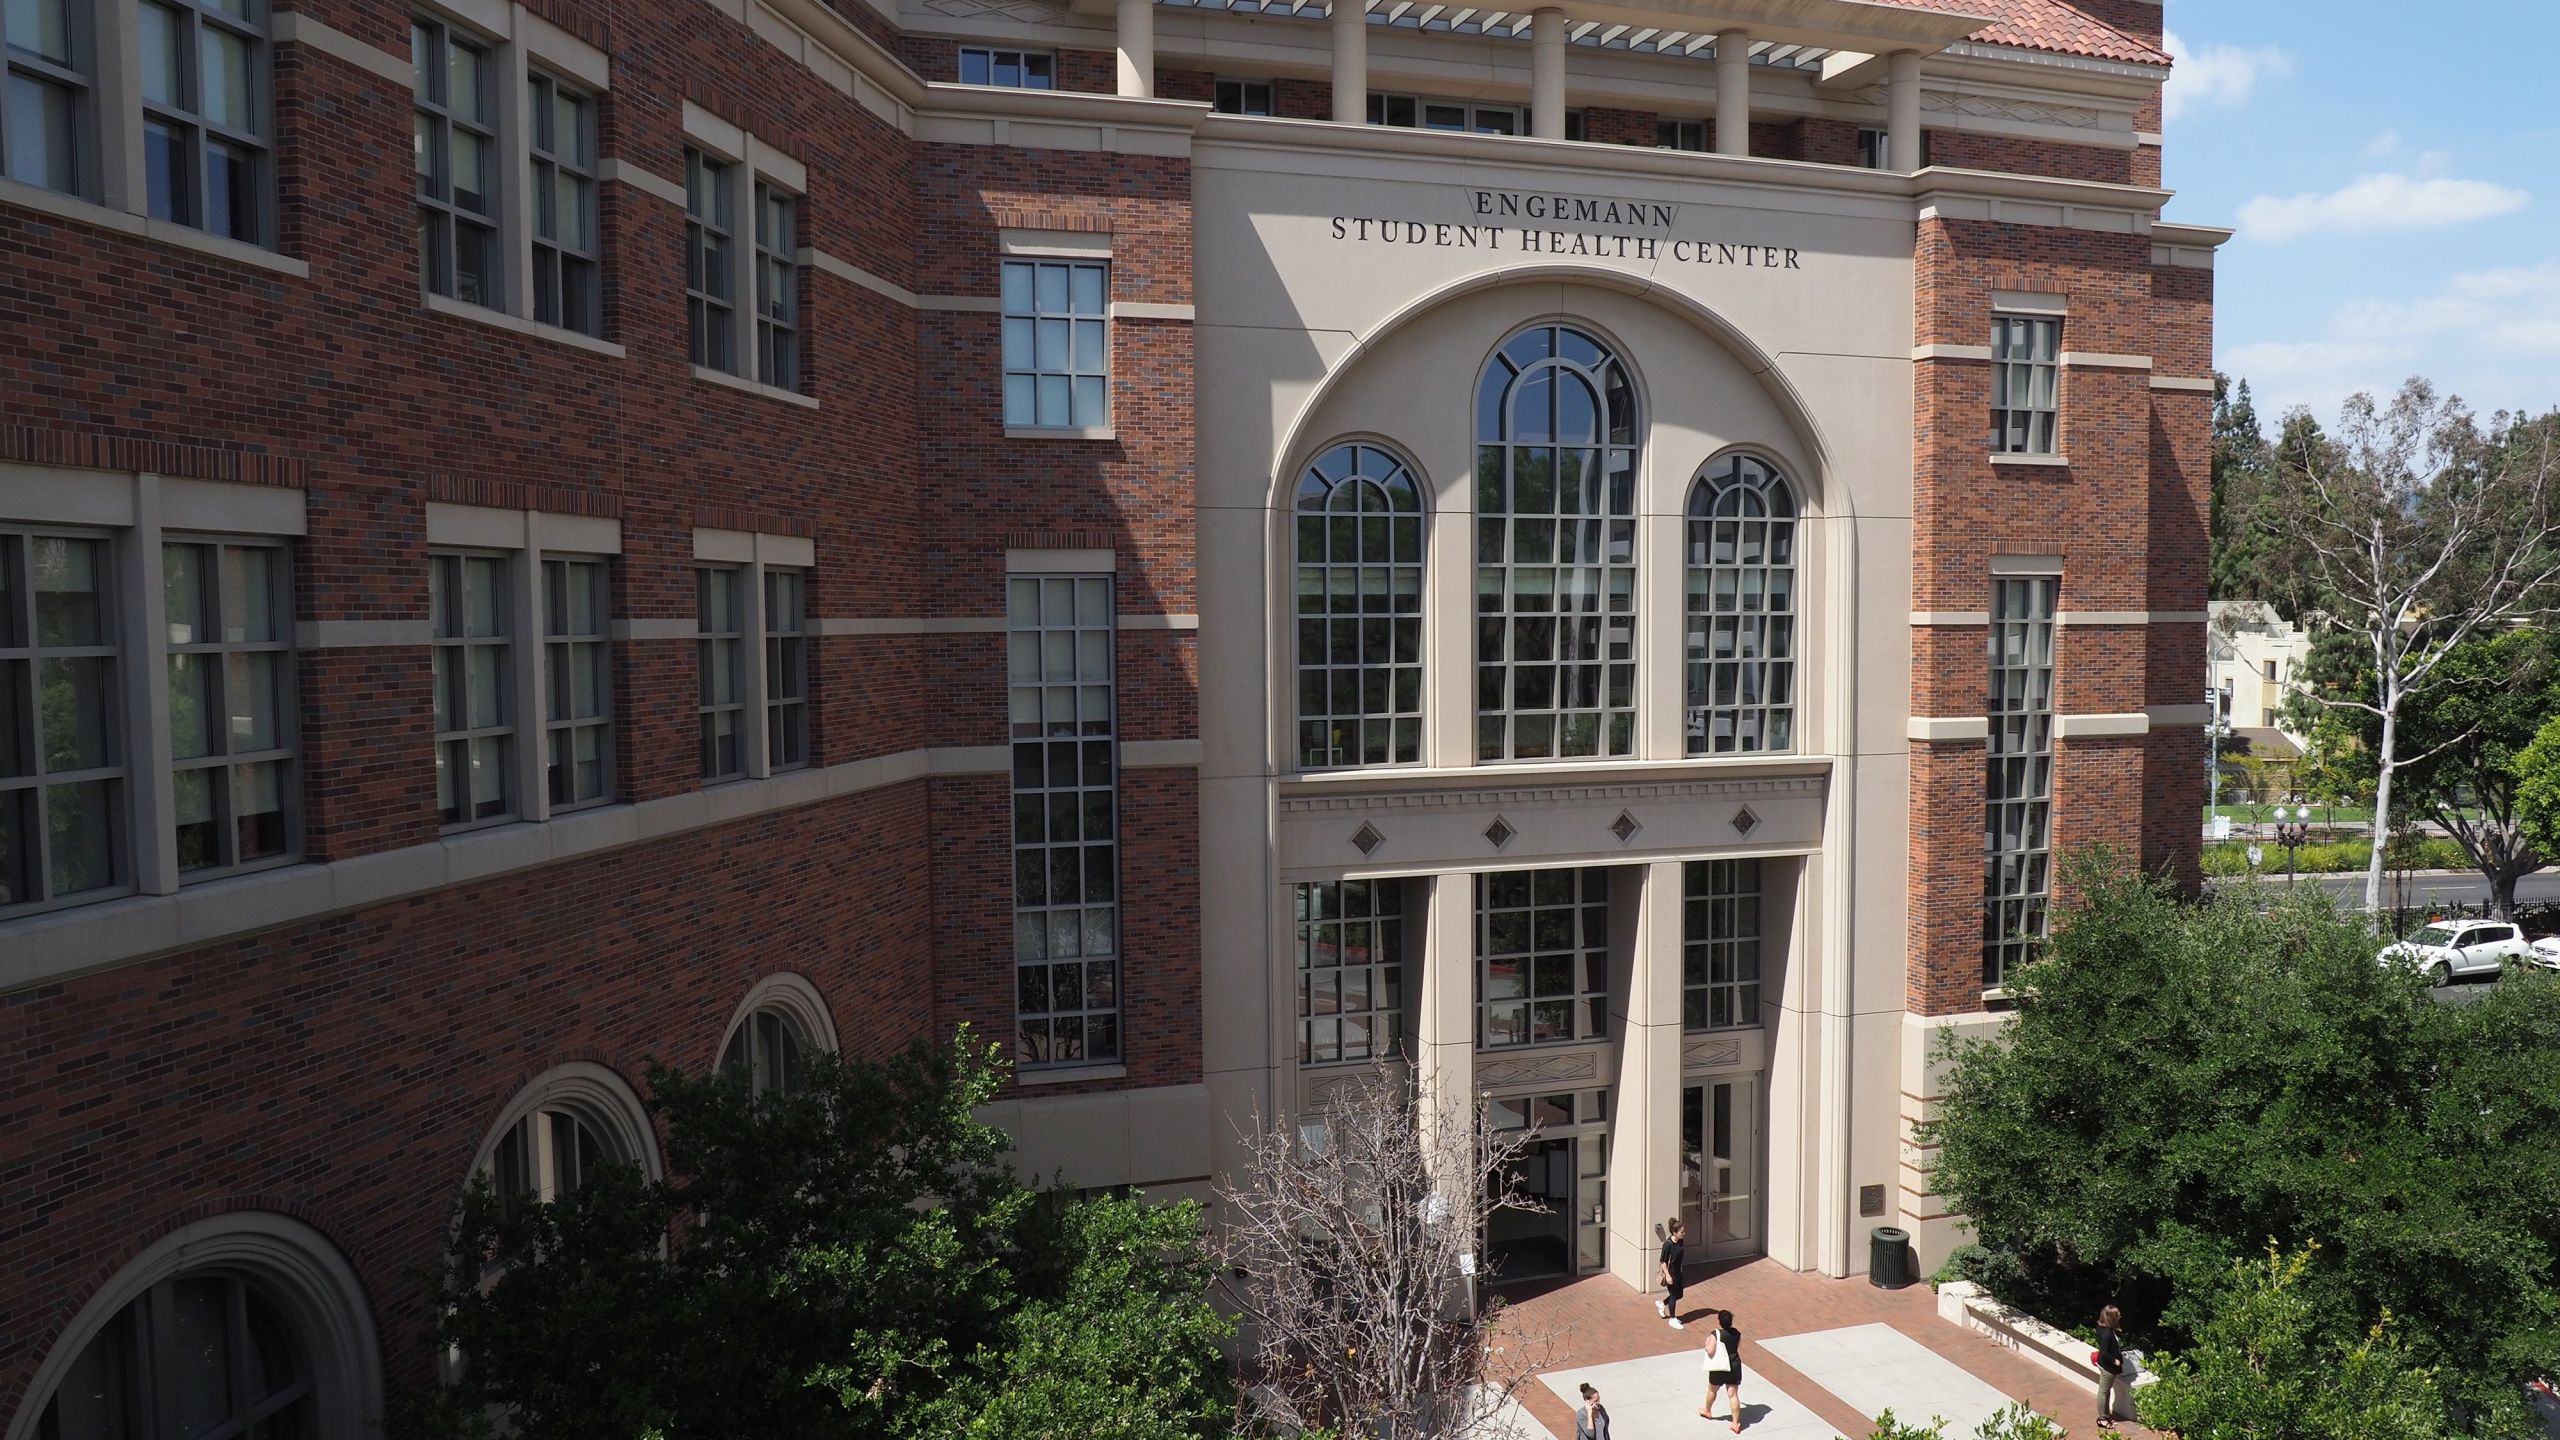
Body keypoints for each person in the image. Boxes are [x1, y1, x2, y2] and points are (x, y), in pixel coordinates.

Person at [1699, 1309, 1744, 1434]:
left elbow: (1710, 1350)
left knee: (1712, 1389)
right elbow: (1736, 1347)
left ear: (1719, 1321)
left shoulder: (1716, 1334)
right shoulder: (1737, 1333)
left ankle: (1707, 1410)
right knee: (1733, 1395)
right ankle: (1735, 1424)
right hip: (1734, 1366)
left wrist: (1707, 1343)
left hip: (1719, 1367)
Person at [2094, 1304, 2129, 1429]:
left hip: (2106, 1366)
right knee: (2103, 1391)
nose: (2120, 1316)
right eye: (2117, 1315)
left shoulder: (2103, 1328)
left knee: (2106, 1389)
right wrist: (2115, 1361)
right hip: (2108, 1367)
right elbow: (2104, 1353)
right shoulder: (2106, 1334)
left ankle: (2106, 1414)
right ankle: (2102, 1418)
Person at [1657, 1216, 1688, 1328]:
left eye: (1684, 1231)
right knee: (1674, 1295)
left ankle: (1662, 1304)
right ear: (1674, 1232)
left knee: (1680, 1294)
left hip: (1678, 1272)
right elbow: (1663, 1261)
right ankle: (1672, 1319)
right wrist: (1668, 1276)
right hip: (1671, 1273)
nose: (1684, 1234)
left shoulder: (1680, 1241)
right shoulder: (1668, 1244)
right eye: (1681, 1232)